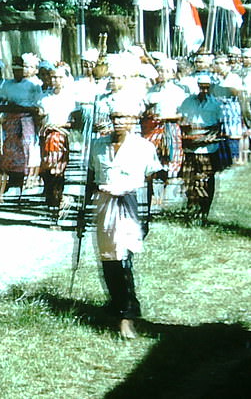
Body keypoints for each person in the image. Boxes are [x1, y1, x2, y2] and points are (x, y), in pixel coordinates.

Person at [89, 106, 161, 339]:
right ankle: (117, 303)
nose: (119, 121)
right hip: (104, 204)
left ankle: (127, 315)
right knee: (108, 257)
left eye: (124, 116)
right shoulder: (99, 145)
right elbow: (93, 175)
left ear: (134, 119)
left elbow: (153, 178)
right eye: (115, 116)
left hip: (130, 203)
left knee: (123, 257)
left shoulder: (143, 147)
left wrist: (153, 208)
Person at [0, 54, 43, 203]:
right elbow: (1, 104)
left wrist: (19, 107)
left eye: (20, 70)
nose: (17, 73)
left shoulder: (33, 85)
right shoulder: (7, 85)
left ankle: (25, 183)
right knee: (10, 151)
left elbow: (37, 107)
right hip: (10, 121)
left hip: (26, 121)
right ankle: (12, 182)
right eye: (15, 70)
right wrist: (13, 107)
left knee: (26, 150)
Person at [142, 59, 188, 207]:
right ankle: (154, 195)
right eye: (160, 70)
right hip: (153, 129)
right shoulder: (152, 90)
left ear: (173, 74)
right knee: (151, 160)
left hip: (170, 127)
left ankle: (166, 195)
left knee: (169, 160)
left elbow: (183, 115)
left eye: (165, 71)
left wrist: (167, 118)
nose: (161, 73)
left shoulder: (178, 91)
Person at [179, 75, 224, 224]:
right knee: (189, 180)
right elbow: (181, 121)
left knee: (205, 180)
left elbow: (219, 125)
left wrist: (210, 136)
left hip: (208, 149)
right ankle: (192, 209)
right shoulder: (187, 102)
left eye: (207, 87)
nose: (203, 90)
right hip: (190, 148)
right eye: (201, 87)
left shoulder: (215, 104)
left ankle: (204, 211)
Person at [38, 64, 78, 223]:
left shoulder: (70, 98)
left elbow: (74, 122)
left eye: (60, 77)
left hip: (60, 137)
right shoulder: (44, 98)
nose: (56, 80)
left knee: (57, 173)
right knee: (46, 172)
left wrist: (59, 126)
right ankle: (51, 204)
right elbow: (40, 119)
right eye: (53, 77)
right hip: (45, 137)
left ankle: (57, 204)